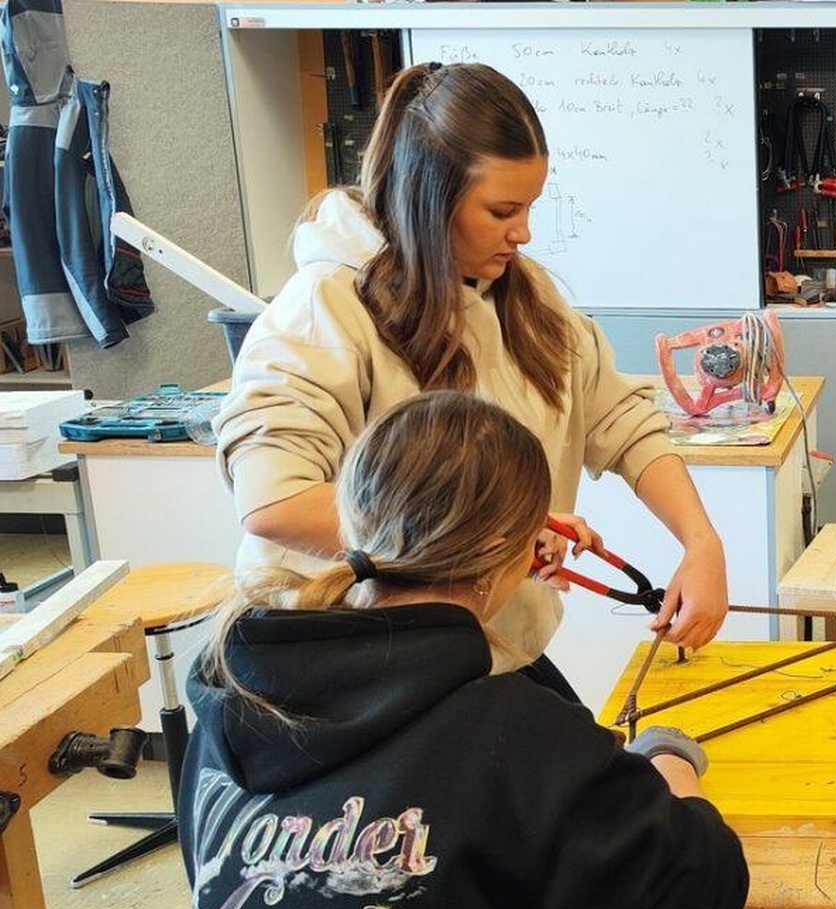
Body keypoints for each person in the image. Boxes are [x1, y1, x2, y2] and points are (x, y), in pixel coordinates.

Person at [213, 62, 727, 696]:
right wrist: (498, 532)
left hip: (480, 653)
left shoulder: (526, 296)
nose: (525, 231)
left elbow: (621, 421)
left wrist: (702, 544)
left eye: (531, 206)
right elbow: (273, 501)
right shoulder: (325, 308)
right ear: (429, 197)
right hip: (357, 670)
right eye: (503, 209)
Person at [181, 391, 749, 909]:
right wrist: (669, 762)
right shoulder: (517, 732)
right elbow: (702, 892)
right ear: (517, 547)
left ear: (352, 520)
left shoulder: (230, 697)